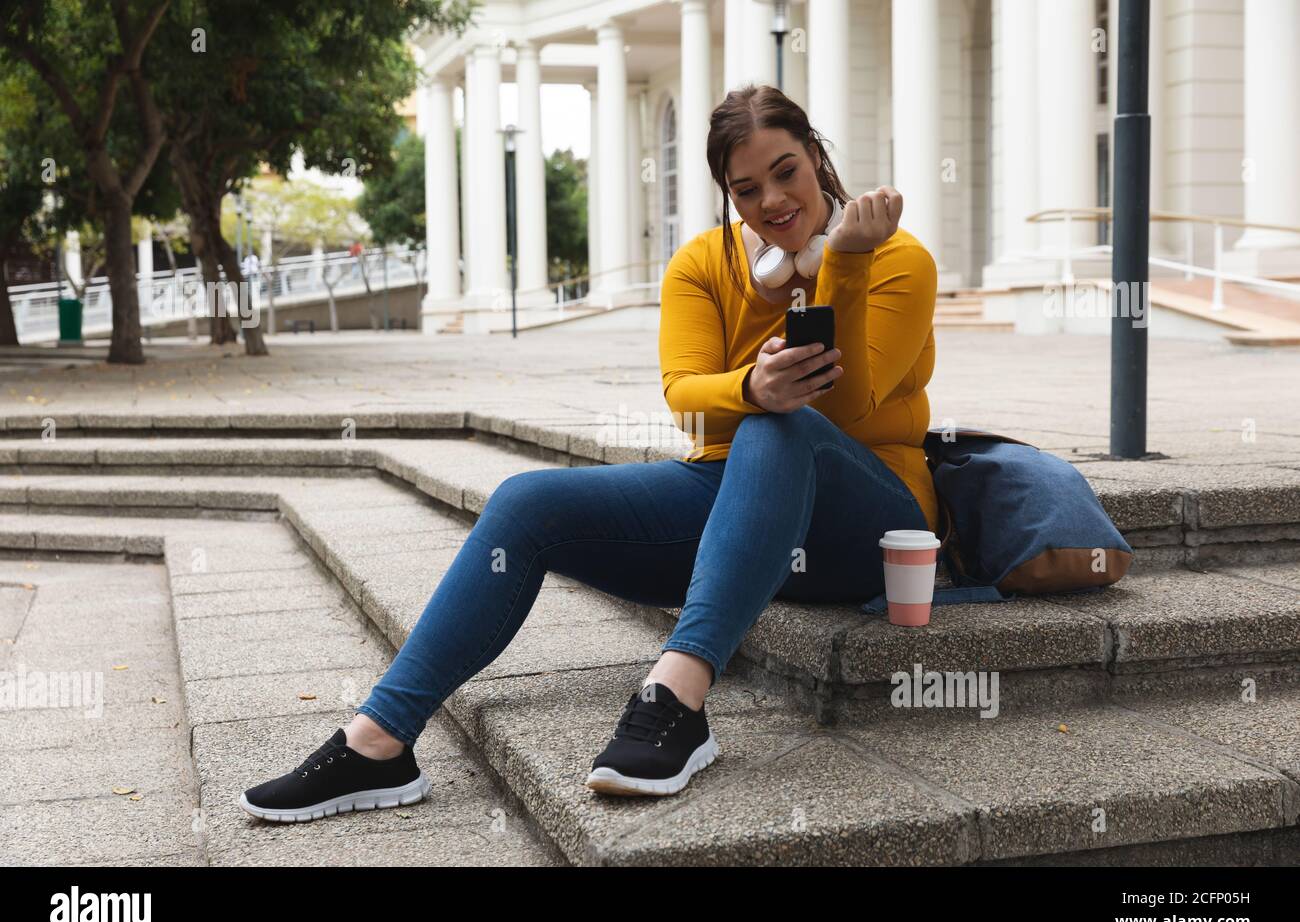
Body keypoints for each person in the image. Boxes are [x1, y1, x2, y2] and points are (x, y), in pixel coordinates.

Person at [239, 83, 939, 822]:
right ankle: (377, 743)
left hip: (870, 528)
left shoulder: (896, 259)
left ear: (817, 157)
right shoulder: (703, 264)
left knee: (780, 425)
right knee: (525, 503)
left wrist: (848, 266)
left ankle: (676, 699)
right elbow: (684, 393)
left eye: (786, 171)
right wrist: (748, 386)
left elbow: (854, 405)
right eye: (745, 188)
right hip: (742, 507)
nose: (771, 200)